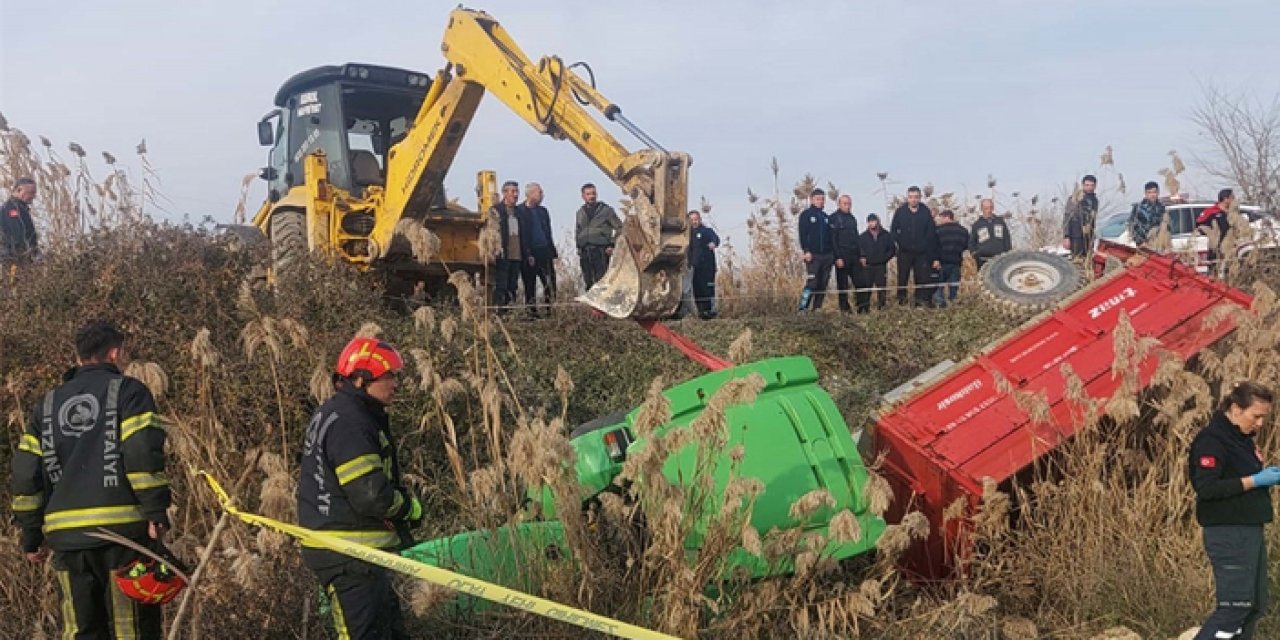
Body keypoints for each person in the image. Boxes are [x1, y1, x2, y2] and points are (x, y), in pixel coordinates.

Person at [11, 320, 173, 638]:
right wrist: (155, 512)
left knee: (80, 630)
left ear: (79, 356)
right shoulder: (129, 392)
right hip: (122, 536)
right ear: (114, 353)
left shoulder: (47, 404)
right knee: (131, 629)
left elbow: (25, 473)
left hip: (67, 541)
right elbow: (141, 454)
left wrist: (30, 536)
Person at [299, 336, 422, 640]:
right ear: (360, 379)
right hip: (350, 558)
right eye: (388, 376)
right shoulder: (352, 422)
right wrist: (411, 508)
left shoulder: (336, 413)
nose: (395, 383)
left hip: (359, 556)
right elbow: (370, 494)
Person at [1189, 382, 1276, 640]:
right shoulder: (1211, 440)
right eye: (1256, 416)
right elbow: (1207, 488)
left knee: (1253, 606)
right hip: (1228, 532)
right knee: (1233, 608)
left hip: (1249, 530)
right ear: (1236, 409)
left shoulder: (1241, 439)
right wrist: (1256, 480)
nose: (1260, 424)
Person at [890, 186, 939, 307]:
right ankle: (901, 302)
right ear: (908, 198)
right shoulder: (900, 212)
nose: (913, 200)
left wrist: (927, 246)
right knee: (902, 278)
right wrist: (900, 242)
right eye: (911, 197)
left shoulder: (925, 211)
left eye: (916, 197)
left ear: (920, 198)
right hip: (904, 252)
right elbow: (893, 230)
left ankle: (919, 303)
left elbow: (931, 233)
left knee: (921, 278)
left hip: (921, 253)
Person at [517, 182, 558, 317]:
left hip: (544, 251)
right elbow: (522, 235)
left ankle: (550, 311)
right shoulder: (520, 211)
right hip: (530, 253)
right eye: (540, 192)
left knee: (549, 283)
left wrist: (552, 252)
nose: (542, 195)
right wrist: (528, 253)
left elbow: (548, 232)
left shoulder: (543, 211)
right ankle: (531, 313)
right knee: (530, 284)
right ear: (532, 194)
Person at [574, 183, 622, 292]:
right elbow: (577, 230)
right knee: (588, 282)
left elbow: (620, 228)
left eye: (593, 193)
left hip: (601, 250)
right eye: (588, 194)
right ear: (583, 196)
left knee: (602, 281)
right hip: (585, 251)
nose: (592, 196)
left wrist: (612, 244)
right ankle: (591, 308)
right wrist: (579, 247)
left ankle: (602, 308)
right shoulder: (580, 213)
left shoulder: (606, 211)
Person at [489, 181, 523, 311]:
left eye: (516, 192)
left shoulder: (519, 212)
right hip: (503, 255)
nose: (515, 195)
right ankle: (499, 311)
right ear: (505, 193)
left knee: (513, 286)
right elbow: (492, 232)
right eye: (512, 191)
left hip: (517, 255)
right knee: (501, 285)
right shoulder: (496, 210)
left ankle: (510, 312)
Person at [797, 188, 833, 311]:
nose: (820, 201)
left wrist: (832, 255)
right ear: (812, 200)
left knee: (823, 284)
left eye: (822, 199)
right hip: (813, 256)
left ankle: (817, 309)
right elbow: (802, 234)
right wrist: (806, 250)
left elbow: (831, 237)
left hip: (827, 256)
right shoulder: (806, 215)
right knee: (812, 283)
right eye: (818, 199)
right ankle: (802, 308)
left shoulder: (826, 217)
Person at [856, 213, 895, 313]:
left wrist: (884, 258)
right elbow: (859, 250)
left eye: (874, 221)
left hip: (881, 266)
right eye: (870, 222)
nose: (872, 224)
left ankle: (882, 309)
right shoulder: (862, 237)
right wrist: (862, 257)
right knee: (866, 289)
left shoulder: (886, 235)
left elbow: (892, 250)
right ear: (867, 223)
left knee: (881, 289)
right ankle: (864, 309)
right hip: (867, 267)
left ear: (877, 222)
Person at [829, 195, 861, 313]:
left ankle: (861, 307)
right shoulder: (834, 218)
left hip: (854, 256)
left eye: (849, 204)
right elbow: (833, 240)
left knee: (860, 282)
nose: (847, 206)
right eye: (845, 204)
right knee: (842, 285)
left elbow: (857, 238)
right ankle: (845, 309)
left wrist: (861, 255)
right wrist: (837, 257)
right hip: (842, 256)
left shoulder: (852, 219)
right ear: (839, 204)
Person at [686, 210, 720, 319]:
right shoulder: (686, 234)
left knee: (707, 289)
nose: (694, 222)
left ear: (700, 219)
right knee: (697, 289)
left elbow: (716, 239)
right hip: (693, 267)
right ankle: (701, 312)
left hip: (707, 267)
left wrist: (713, 243)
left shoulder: (706, 231)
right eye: (691, 220)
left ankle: (710, 311)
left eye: (696, 219)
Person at [1, 176, 40, 269]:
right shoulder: (12, 209)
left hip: (20, 259)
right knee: (14, 283)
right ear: (19, 190)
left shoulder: (21, 208)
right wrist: (32, 254)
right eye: (30, 193)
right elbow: (19, 235)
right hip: (15, 260)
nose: (33, 196)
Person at [933, 210, 969, 307]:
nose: (938, 221)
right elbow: (966, 246)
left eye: (940, 218)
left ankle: (940, 306)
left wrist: (935, 259)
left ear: (946, 217)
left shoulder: (937, 230)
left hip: (941, 263)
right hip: (956, 262)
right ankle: (953, 306)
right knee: (953, 288)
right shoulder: (963, 231)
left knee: (938, 287)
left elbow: (933, 246)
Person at [1062, 175, 1099, 258]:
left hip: (1088, 236)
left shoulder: (1095, 201)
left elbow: (1093, 219)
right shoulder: (1075, 199)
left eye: (1092, 185)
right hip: (1076, 235)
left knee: (1088, 259)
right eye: (1087, 185)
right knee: (1077, 259)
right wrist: (1066, 236)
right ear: (1083, 185)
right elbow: (1067, 218)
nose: (1089, 188)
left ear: (1095, 186)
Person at [969, 198, 1012, 269]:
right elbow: (971, 242)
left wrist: (1007, 253)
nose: (989, 210)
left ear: (993, 208)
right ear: (981, 209)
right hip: (983, 260)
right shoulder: (977, 225)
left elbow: (1007, 239)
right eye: (986, 208)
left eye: (990, 208)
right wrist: (975, 254)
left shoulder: (1000, 222)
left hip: (1000, 259)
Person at [1197, 189, 1234, 269]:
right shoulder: (1211, 212)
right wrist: (1211, 235)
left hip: (1230, 249)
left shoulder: (1232, 213)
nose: (1234, 200)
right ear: (1225, 199)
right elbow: (1199, 226)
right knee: (1214, 271)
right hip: (1215, 249)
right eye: (1232, 197)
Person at [1128, 181, 1167, 248]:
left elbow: (1166, 227)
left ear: (1158, 193)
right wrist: (1140, 242)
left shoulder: (1162, 208)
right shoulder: (1138, 208)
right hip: (1143, 245)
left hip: (1158, 244)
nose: (1152, 195)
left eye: (1154, 192)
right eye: (1149, 192)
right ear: (1145, 194)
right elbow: (1131, 226)